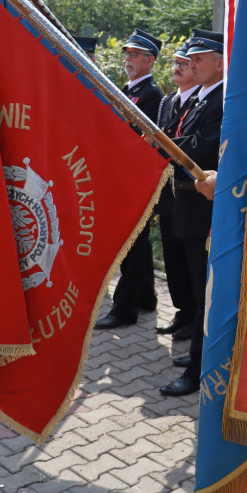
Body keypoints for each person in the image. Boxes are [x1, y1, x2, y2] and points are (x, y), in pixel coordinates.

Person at [160, 29, 225, 397]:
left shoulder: (223, 99)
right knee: (200, 290)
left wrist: (163, 144)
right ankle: (199, 356)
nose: (191, 63)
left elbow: (203, 147)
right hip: (187, 202)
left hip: (206, 208)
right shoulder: (201, 98)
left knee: (206, 292)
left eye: (199, 59)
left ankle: (200, 369)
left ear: (220, 64)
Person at [94, 29, 165, 329]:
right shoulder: (128, 88)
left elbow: (138, 139)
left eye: (135, 54)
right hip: (121, 174)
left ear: (150, 61)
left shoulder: (152, 94)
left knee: (131, 243)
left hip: (133, 177)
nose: (128, 58)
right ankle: (146, 297)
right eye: (127, 53)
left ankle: (124, 310)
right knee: (138, 241)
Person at [155, 41, 199, 343]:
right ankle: (182, 311)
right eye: (177, 62)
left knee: (189, 259)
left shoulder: (201, 102)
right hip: (168, 191)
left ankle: (193, 317)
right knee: (171, 256)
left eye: (185, 63)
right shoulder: (168, 100)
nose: (178, 67)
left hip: (191, 192)